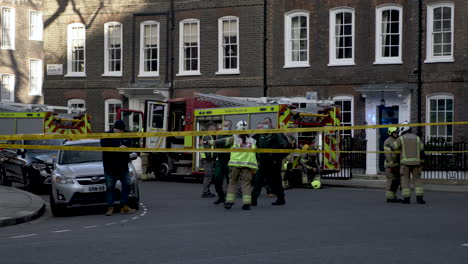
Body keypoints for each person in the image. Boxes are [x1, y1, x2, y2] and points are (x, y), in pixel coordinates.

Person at [211, 121, 258, 210]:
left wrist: (209, 142)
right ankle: (247, 204)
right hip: (247, 166)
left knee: (232, 183)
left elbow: (221, 142)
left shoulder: (234, 138)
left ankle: (229, 202)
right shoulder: (253, 141)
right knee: (246, 184)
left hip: (235, 165)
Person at [100, 120, 136, 216]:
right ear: (114, 128)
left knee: (127, 184)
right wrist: (118, 147)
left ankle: (124, 206)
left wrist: (127, 147)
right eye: (118, 130)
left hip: (123, 167)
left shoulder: (126, 135)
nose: (120, 132)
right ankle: (110, 207)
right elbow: (104, 146)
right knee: (110, 187)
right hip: (110, 167)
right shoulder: (106, 135)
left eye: (122, 131)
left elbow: (131, 145)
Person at [254, 117, 289, 206]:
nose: (265, 124)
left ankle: (281, 199)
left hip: (274, 163)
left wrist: (277, 158)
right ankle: (253, 200)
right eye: (264, 122)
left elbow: (286, 147)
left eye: (266, 123)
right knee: (258, 180)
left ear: (271, 124)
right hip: (263, 162)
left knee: (276, 181)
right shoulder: (261, 134)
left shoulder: (276, 133)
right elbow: (251, 141)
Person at [391, 121, 426, 204]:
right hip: (416, 164)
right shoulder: (417, 138)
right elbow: (422, 149)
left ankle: (407, 199)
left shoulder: (401, 138)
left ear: (403, 129)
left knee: (405, 180)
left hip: (405, 164)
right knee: (417, 180)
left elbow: (393, 147)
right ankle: (419, 198)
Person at [213, 120, 232, 204]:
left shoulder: (232, 135)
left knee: (230, 181)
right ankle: (220, 196)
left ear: (230, 126)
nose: (225, 127)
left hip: (229, 161)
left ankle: (228, 198)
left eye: (227, 125)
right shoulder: (219, 134)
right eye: (224, 125)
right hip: (220, 161)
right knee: (217, 179)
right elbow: (216, 144)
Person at [384, 127, 402, 203]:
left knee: (396, 181)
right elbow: (388, 155)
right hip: (389, 165)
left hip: (397, 165)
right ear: (390, 133)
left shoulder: (398, 140)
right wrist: (391, 165)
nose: (396, 134)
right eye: (394, 133)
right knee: (390, 181)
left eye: (397, 132)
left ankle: (394, 196)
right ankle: (389, 197)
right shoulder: (387, 142)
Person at [200, 122, 217, 198]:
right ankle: (205, 192)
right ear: (210, 128)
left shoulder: (209, 136)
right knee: (208, 176)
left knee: (209, 176)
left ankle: (207, 191)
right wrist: (210, 158)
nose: (215, 129)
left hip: (208, 159)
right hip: (207, 159)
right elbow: (207, 148)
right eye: (214, 128)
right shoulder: (207, 136)